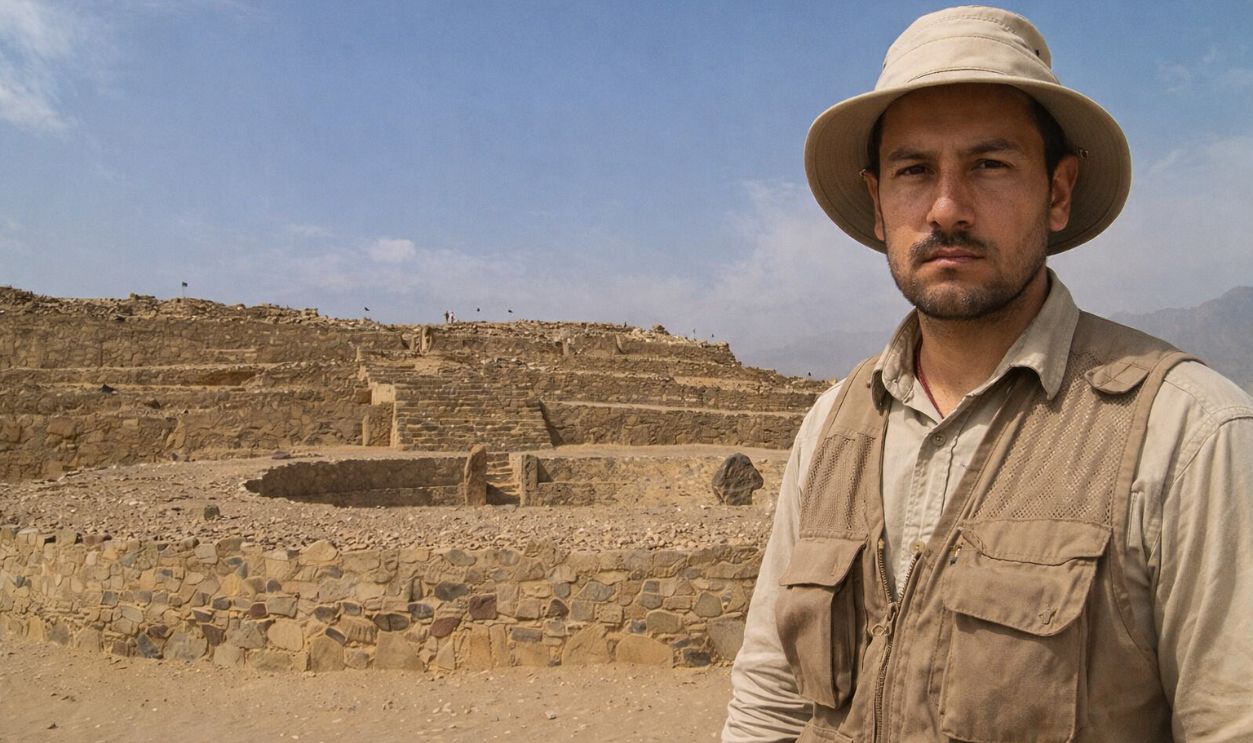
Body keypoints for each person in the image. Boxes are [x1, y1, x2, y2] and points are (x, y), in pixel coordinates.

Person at [722, 6, 1252, 742]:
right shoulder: (830, 428)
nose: (946, 208)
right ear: (877, 203)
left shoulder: (1186, 433)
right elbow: (770, 701)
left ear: (1058, 191)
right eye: (914, 171)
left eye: (988, 165)